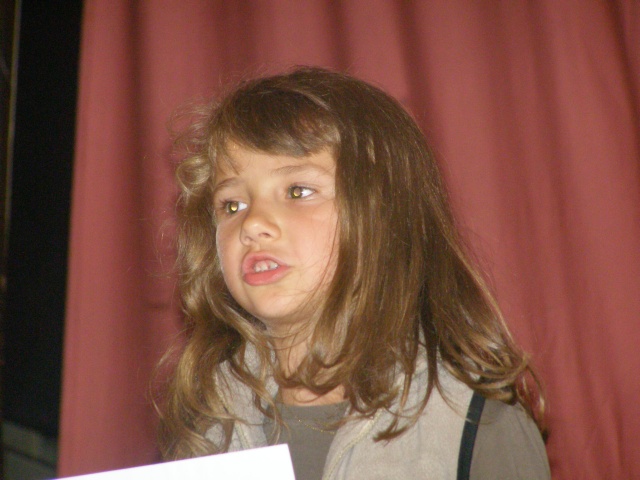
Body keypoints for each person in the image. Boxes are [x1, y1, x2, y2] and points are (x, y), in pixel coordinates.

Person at [158, 66, 550, 479]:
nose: (252, 223)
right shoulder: (202, 429)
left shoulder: (479, 426)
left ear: (383, 215)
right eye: (231, 205)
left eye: (297, 191)